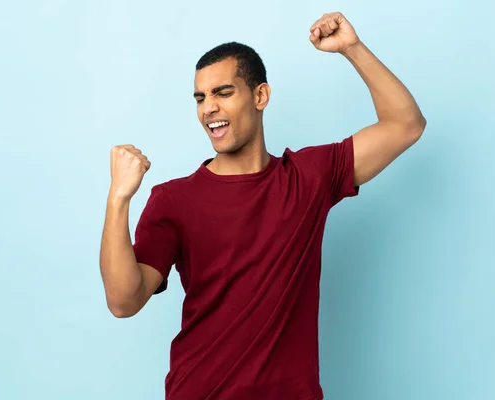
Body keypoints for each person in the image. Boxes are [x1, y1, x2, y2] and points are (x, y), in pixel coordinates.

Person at [99, 11, 426, 400]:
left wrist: (352, 48)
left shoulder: (308, 177)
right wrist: (119, 198)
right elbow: (123, 301)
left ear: (260, 96)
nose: (208, 109)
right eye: (200, 98)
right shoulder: (173, 200)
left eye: (223, 93)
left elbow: (406, 125)